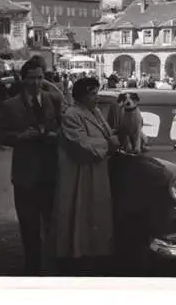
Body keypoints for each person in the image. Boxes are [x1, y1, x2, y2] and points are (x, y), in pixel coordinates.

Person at [0, 58, 62, 275]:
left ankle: (53, 267)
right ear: (23, 79)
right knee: (29, 225)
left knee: (53, 223)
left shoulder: (54, 99)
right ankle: (33, 269)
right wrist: (19, 137)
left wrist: (54, 136)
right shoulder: (9, 105)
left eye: (40, 77)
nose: (36, 82)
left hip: (51, 172)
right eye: (31, 78)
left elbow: (64, 128)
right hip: (25, 174)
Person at [51, 77, 120, 275]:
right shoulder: (72, 115)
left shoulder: (95, 112)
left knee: (95, 212)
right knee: (78, 212)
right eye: (93, 94)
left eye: (97, 93)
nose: (96, 98)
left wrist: (119, 135)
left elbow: (106, 134)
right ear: (82, 96)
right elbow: (80, 143)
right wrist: (109, 144)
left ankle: (94, 254)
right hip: (78, 173)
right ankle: (75, 256)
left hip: (96, 172)